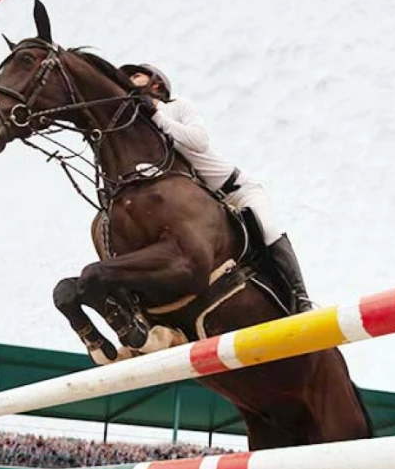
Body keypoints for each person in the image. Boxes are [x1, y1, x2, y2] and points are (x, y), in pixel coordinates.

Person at [119, 63, 314, 312]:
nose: (128, 80)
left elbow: (199, 142)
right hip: (209, 208)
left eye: (134, 75)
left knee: (267, 230)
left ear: (156, 83)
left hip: (239, 191)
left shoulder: (177, 107)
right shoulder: (145, 130)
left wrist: (157, 116)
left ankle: (301, 297)